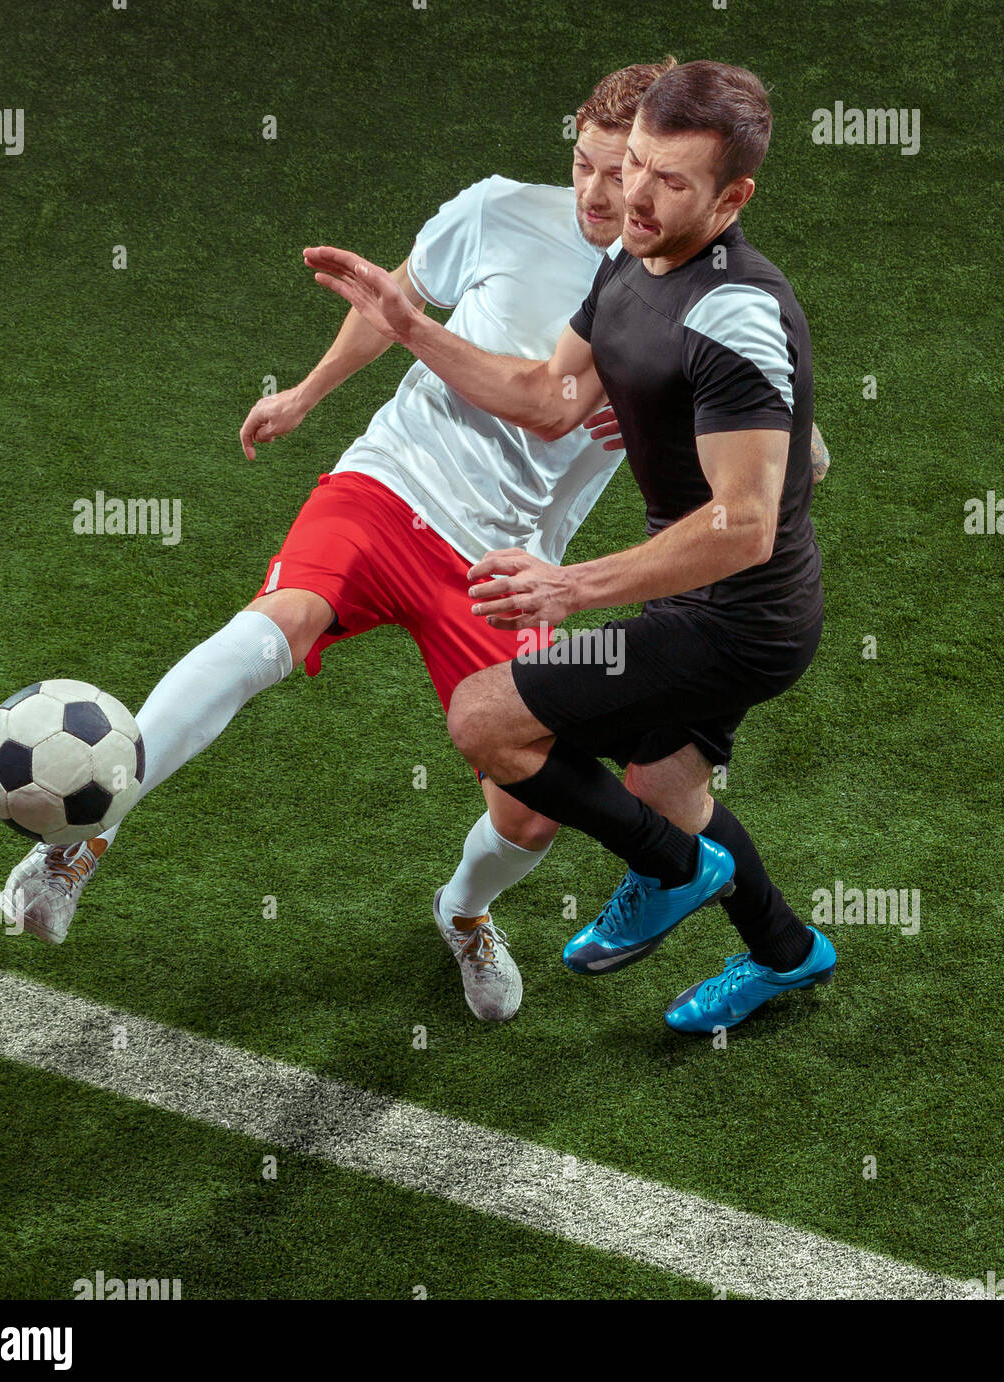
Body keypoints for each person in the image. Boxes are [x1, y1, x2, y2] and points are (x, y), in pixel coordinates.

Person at [303, 60, 836, 1033]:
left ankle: (672, 872)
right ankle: (788, 954)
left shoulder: (736, 313)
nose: (632, 194)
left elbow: (749, 520)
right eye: (633, 164)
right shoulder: (635, 263)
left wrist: (573, 586)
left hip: (744, 618)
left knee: (487, 718)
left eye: (670, 181)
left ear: (732, 197)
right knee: (667, 785)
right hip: (689, 595)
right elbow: (549, 395)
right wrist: (411, 327)